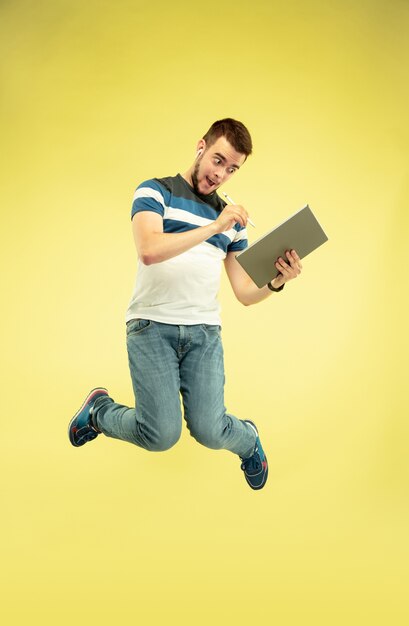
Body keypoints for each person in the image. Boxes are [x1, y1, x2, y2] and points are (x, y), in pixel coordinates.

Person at [68, 118, 302, 490]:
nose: (221, 174)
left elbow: (243, 292)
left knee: (211, 431)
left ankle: (248, 440)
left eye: (232, 169)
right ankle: (99, 411)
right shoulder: (155, 192)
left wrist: (277, 280)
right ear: (200, 148)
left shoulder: (232, 223)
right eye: (217, 160)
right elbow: (149, 251)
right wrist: (213, 227)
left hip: (203, 334)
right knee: (160, 435)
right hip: (151, 328)